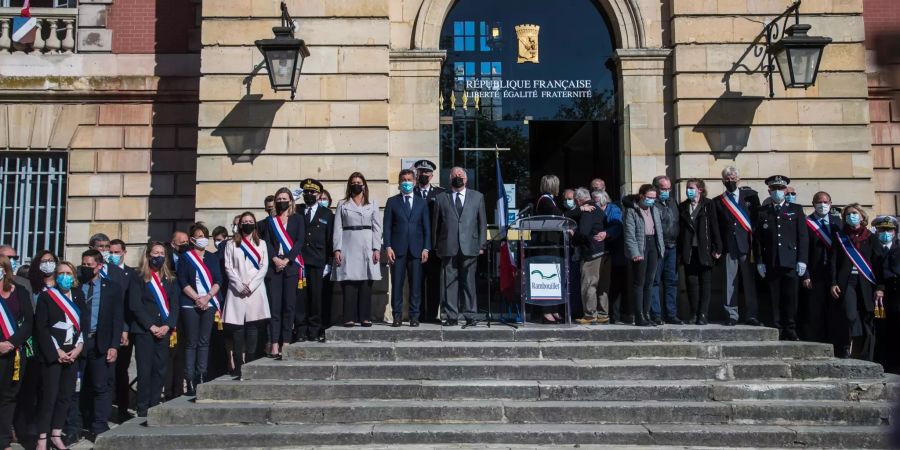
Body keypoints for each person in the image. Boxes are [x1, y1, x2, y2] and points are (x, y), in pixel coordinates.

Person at [34, 261, 86, 450]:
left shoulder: (79, 295)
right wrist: (56, 351)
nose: (65, 276)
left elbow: (83, 324)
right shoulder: (47, 297)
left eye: (69, 273)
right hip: (53, 354)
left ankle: (56, 434)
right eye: (62, 273)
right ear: (56, 277)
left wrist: (79, 347)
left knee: (66, 395)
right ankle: (42, 438)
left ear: (73, 276)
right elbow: (41, 327)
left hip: (73, 352)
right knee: (50, 396)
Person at [77, 249, 124, 439]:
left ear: (99, 266)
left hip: (100, 341)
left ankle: (99, 425)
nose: (86, 268)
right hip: (78, 343)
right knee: (78, 386)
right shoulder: (76, 286)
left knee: (101, 385)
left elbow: (117, 318)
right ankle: (76, 425)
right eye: (84, 265)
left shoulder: (111, 288)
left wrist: (114, 345)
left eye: (90, 265)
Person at [754, 175, 808, 341]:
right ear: (769, 191)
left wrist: (802, 259)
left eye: (780, 188)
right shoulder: (762, 211)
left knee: (790, 297)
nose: (777, 192)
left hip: (790, 260)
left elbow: (803, 236)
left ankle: (790, 328)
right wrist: (759, 261)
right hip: (771, 261)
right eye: (774, 189)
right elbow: (757, 239)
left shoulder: (796, 209)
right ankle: (776, 326)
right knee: (774, 296)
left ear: (785, 190)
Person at [432, 166, 487, 327]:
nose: (458, 177)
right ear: (450, 179)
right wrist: (436, 246)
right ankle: (451, 315)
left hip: (470, 246)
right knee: (449, 283)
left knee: (469, 283)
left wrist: (481, 244)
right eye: (454, 175)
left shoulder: (477, 197)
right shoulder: (441, 198)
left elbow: (482, 223)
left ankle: (470, 315)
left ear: (466, 179)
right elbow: (436, 224)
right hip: (448, 246)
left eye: (460, 175)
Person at [130, 242, 179, 417]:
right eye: (155, 252)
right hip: (145, 331)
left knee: (160, 369)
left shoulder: (170, 279)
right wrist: (151, 326)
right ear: (149, 254)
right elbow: (135, 305)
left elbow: (174, 305)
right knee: (145, 369)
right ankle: (142, 407)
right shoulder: (138, 277)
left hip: (164, 331)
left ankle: (154, 403)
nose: (158, 256)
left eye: (161, 253)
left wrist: (167, 325)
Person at [16, 251, 56, 445]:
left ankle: (46, 430)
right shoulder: (30, 287)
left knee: (47, 390)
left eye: (51, 261)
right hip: (32, 343)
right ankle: (25, 427)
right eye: (43, 261)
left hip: (54, 344)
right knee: (28, 387)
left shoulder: (60, 286)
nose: (47, 265)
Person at [177, 223, 223, 396]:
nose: (202, 239)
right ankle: (189, 379)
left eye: (205, 235)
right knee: (191, 342)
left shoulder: (212, 258)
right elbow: (182, 281)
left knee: (204, 342)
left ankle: (201, 376)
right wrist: (197, 298)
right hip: (190, 303)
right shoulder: (185, 257)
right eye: (199, 236)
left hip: (208, 303)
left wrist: (207, 297)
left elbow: (218, 280)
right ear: (192, 239)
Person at [223, 213, 270, 379]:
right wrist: (238, 284)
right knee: (237, 328)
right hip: (237, 289)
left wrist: (251, 285)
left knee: (253, 326)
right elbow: (228, 267)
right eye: (245, 222)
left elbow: (264, 267)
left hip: (255, 289)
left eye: (251, 222)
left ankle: (250, 362)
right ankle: (238, 365)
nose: (248, 224)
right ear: (240, 225)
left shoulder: (261, 243)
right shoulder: (231, 244)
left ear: (255, 225)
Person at [714, 166, 762, 326]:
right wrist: (718, 247)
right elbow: (717, 227)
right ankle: (731, 315)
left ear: (739, 179)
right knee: (729, 283)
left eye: (733, 178)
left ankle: (752, 315)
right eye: (727, 179)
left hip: (747, 245)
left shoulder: (751, 196)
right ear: (723, 181)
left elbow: (757, 220)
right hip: (729, 246)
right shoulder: (718, 201)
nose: (730, 181)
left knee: (749, 282)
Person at [333, 172, 382, 327]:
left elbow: (377, 228)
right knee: (349, 282)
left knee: (366, 282)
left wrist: (376, 248)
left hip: (367, 244)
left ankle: (365, 317)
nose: (356, 184)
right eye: (353, 182)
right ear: (349, 185)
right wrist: (337, 249)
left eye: (359, 182)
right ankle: (349, 316)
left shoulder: (372, 203)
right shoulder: (342, 204)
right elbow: (337, 228)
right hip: (348, 243)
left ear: (364, 185)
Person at [384, 169, 431, 327]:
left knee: (416, 285)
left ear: (414, 182)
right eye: (403, 179)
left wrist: (426, 248)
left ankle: (414, 316)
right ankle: (397, 316)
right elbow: (387, 227)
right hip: (397, 250)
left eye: (409, 179)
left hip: (417, 250)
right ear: (399, 182)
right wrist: (388, 246)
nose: (406, 182)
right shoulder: (392, 202)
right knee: (397, 284)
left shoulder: (421, 202)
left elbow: (426, 228)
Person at [260, 188, 304, 359]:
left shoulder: (297, 219)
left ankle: (286, 341)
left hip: (291, 266)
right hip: (274, 267)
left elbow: (299, 241)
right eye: (279, 198)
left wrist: (287, 259)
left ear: (291, 201)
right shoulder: (270, 221)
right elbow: (267, 242)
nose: (281, 201)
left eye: (284, 198)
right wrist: (275, 259)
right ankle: (274, 343)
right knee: (275, 307)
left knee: (289, 306)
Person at [830, 204, 876, 361]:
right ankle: (845, 347)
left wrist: (880, 287)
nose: (851, 216)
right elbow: (834, 261)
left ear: (862, 216)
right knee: (850, 315)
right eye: (848, 214)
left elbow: (877, 263)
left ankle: (865, 353)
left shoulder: (870, 237)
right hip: (847, 281)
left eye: (854, 213)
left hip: (866, 282)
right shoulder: (840, 237)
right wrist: (833, 282)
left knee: (866, 316)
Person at [800, 192, 844, 349]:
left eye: (826, 202)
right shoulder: (806, 223)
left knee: (834, 310)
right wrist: (805, 275)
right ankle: (815, 344)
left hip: (835, 275)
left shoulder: (838, 222)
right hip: (815, 273)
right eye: (819, 202)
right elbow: (803, 250)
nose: (822, 205)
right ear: (813, 204)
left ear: (831, 203)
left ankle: (834, 342)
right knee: (815, 309)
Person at [0, 255, 33, 450]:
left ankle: (3, 440)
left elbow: (29, 321)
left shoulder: (19, 291)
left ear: (5, 270)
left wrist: (12, 342)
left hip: (14, 352)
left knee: (8, 397)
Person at [295, 179, 333, 342]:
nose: (309, 195)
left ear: (319, 194)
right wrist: (291, 196)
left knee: (317, 298)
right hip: (300, 261)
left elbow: (330, 238)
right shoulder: (296, 210)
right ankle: (301, 329)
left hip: (318, 261)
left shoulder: (326, 214)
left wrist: (329, 262)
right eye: (306, 192)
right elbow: (277, 214)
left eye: (313, 192)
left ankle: (315, 329)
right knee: (300, 297)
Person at [108, 239, 139, 422]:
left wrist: (125, 329)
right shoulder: (103, 272)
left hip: (124, 330)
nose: (112, 255)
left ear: (124, 252)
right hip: (106, 329)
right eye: (110, 252)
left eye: (116, 252)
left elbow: (129, 305)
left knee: (122, 370)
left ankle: (122, 408)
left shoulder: (131, 274)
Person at [624, 184, 664, 327]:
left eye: (654, 198)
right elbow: (629, 234)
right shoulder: (632, 211)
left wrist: (661, 249)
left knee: (650, 282)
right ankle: (639, 315)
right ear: (641, 196)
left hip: (653, 244)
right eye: (649, 197)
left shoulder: (655, 210)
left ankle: (647, 314)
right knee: (639, 283)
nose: (652, 200)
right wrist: (635, 253)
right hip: (641, 246)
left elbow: (659, 230)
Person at [413, 160, 446, 323]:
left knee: (434, 283)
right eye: (421, 172)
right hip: (416, 246)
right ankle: (417, 314)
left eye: (427, 172)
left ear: (432, 175)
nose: (424, 175)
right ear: (417, 174)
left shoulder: (441, 194)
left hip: (434, 247)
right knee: (417, 282)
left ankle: (432, 315)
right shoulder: (411, 192)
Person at [571, 188, 609, 324]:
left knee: (589, 284)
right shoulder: (599, 209)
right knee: (603, 286)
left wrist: (572, 236)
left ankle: (590, 314)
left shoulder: (587, 211)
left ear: (578, 200)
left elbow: (584, 232)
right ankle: (603, 314)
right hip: (604, 251)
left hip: (592, 252)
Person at [532, 174, 566, 324]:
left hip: (553, 244)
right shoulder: (545, 200)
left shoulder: (550, 199)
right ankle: (546, 311)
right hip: (546, 244)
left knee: (554, 278)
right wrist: (579, 209)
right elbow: (559, 215)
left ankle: (553, 309)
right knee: (547, 278)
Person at [651, 175, 681, 325]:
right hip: (657, 248)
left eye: (668, 188)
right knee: (655, 282)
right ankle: (656, 314)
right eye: (663, 189)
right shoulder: (652, 203)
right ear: (655, 188)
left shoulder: (672, 202)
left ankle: (671, 313)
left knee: (671, 281)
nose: (666, 191)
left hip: (673, 247)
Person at [872, 216, 899, 372]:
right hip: (876, 298)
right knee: (879, 330)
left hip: (894, 298)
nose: (885, 233)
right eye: (882, 230)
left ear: (894, 232)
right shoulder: (872, 248)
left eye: (888, 230)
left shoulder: (897, 248)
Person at [319, 190, 335, 329]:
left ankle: (325, 325)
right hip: (313, 262)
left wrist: (330, 262)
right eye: (319, 198)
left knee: (326, 296)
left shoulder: (331, 216)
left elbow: (332, 241)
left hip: (327, 261)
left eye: (324, 198)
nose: (322, 201)